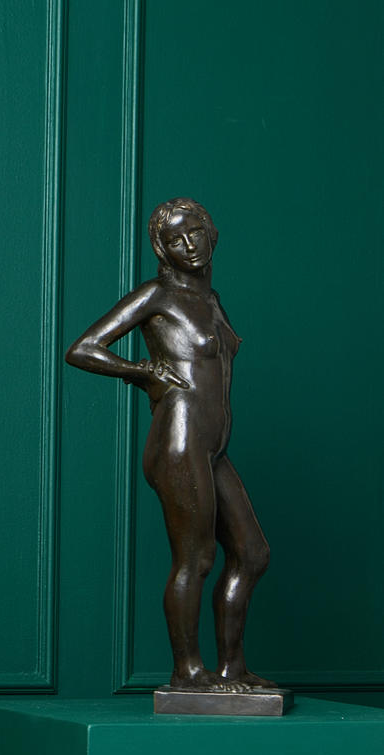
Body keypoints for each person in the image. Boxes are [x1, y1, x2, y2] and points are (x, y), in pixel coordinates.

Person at [66, 197, 272, 691]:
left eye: (195, 232)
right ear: (163, 249)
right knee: (196, 559)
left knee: (252, 553)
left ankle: (232, 667)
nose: (189, 245)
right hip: (179, 440)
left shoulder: (211, 299)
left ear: (211, 233)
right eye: (175, 240)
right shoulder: (157, 295)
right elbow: (83, 349)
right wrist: (143, 372)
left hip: (213, 445)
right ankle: (188, 671)